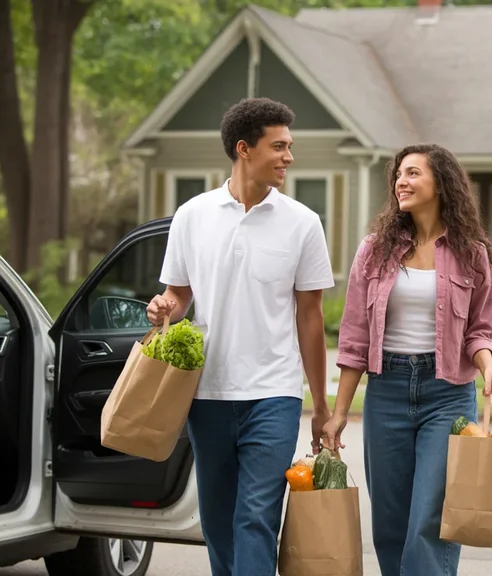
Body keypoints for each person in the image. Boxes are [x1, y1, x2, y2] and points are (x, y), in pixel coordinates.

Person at [146, 97, 335, 576]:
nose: (289, 157)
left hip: (273, 393)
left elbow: (310, 317)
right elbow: (178, 294)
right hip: (206, 392)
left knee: (256, 516)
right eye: (280, 146)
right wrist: (164, 306)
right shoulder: (192, 215)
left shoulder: (303, 223)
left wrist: (321, 404)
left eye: (290, 146)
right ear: (244, 149)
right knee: (218, 518)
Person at [323, 143, 492, 576]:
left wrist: (488, 365)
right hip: (386, 391)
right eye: (399, 175)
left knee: (431, 515)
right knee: (390, 521)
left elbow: (479, 330)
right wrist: (338, 413)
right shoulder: (375, 250)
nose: (401, 182)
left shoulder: (471, 252)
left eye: (412, 173)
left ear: (440, 183)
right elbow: (354, 338)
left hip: (447, 394)